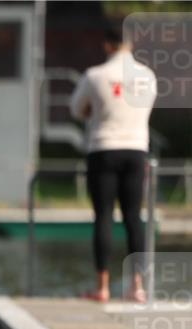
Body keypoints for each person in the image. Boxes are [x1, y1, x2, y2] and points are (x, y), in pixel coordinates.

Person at [70, 23, 157, 303]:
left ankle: (103, 287)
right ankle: (136, 286)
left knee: (104, 216)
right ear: (131, 44)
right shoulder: (146, 76)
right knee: (134, 217)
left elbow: (76, 108)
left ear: (107, 44)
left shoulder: (95, 75)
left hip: (103, 149)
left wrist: (92, 111)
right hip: (135, 150)